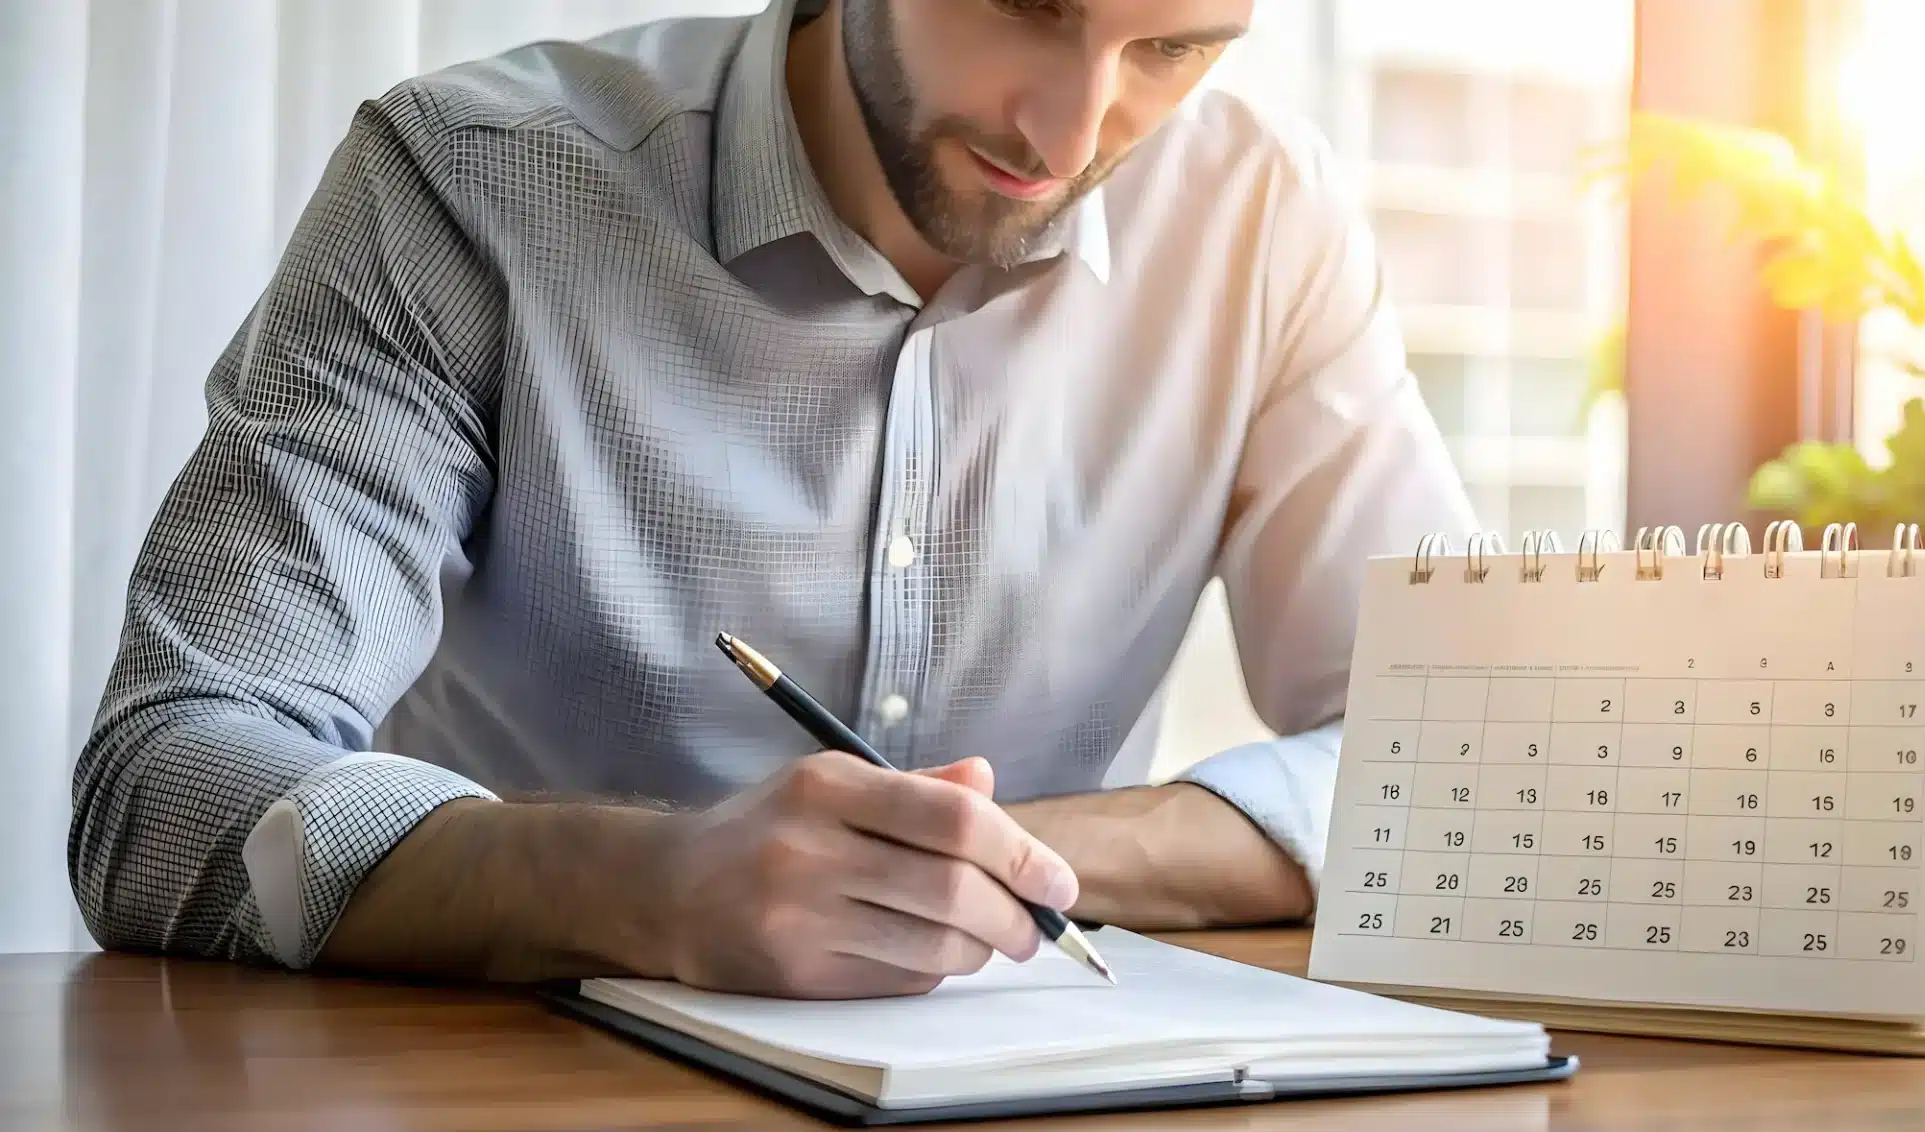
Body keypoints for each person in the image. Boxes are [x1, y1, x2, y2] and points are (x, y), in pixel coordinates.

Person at [69, 0, 1473, 999]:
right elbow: (165, 788)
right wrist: (650, 891)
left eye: (1168, 48)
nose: (1070, 132)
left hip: (1031, 1127)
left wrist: (1003, 863)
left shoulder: (1264, 220)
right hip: (513, 1119)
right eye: (1025, 7)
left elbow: (1452, 751)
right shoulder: (470, 184)